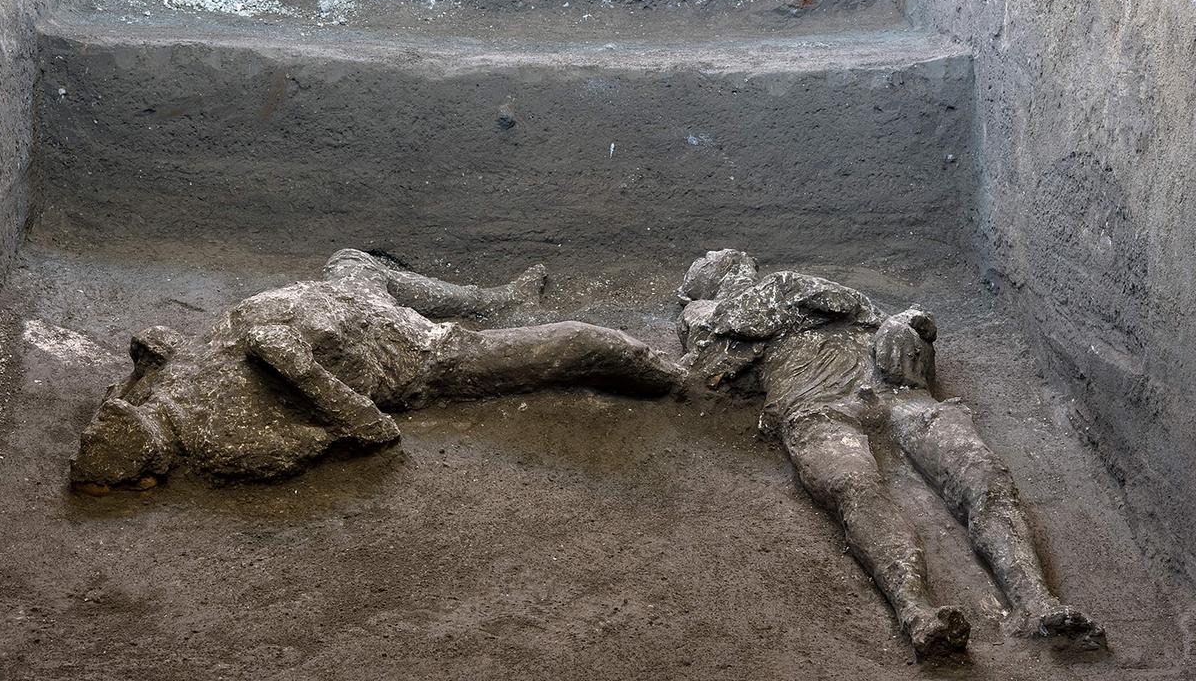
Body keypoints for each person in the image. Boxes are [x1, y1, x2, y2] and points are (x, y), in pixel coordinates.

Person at [676, 249, 1105, 659]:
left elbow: (897, 322)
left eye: (735, 261)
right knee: (857, 488)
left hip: (895, 391)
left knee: (983, 476)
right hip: (816, 407)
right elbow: (692, 378)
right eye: (714, 267)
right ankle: (915, 610)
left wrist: (910, 323)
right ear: (700, 292)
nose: (729, 264)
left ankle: (1036, 600)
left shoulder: (812, 290)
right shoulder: (707, 320)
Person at [70, 250, 682, 491]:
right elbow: (374, 431)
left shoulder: (160, 394)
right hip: (411, 355)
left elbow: (157, 346)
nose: (129, 408)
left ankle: (494, 299)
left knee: (355, 260)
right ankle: (690, 378)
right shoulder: (227, 447)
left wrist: (149, 365)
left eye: (125, 409)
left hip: (343, 301)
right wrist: (299, 369)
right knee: (584, 344)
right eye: (132, 419)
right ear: (154, 454)